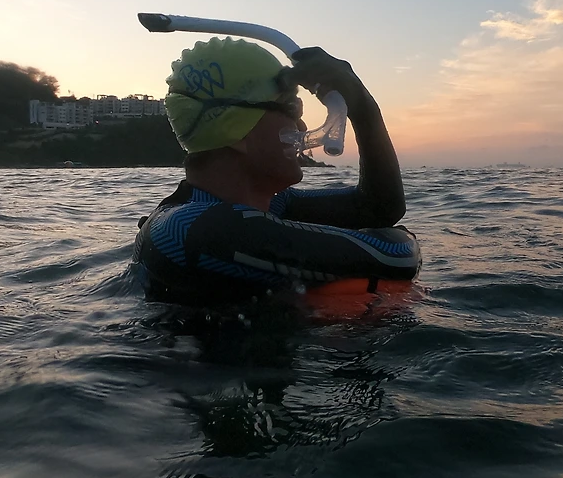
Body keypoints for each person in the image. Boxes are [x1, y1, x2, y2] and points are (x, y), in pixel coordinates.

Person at [133, 36, 420, 303]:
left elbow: (378, 207)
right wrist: (403, 236)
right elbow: (396, 257)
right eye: (291, 109)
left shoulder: (262, 206)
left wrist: (363, 107)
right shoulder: (192, 229)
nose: (302, 126)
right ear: (235, 128)